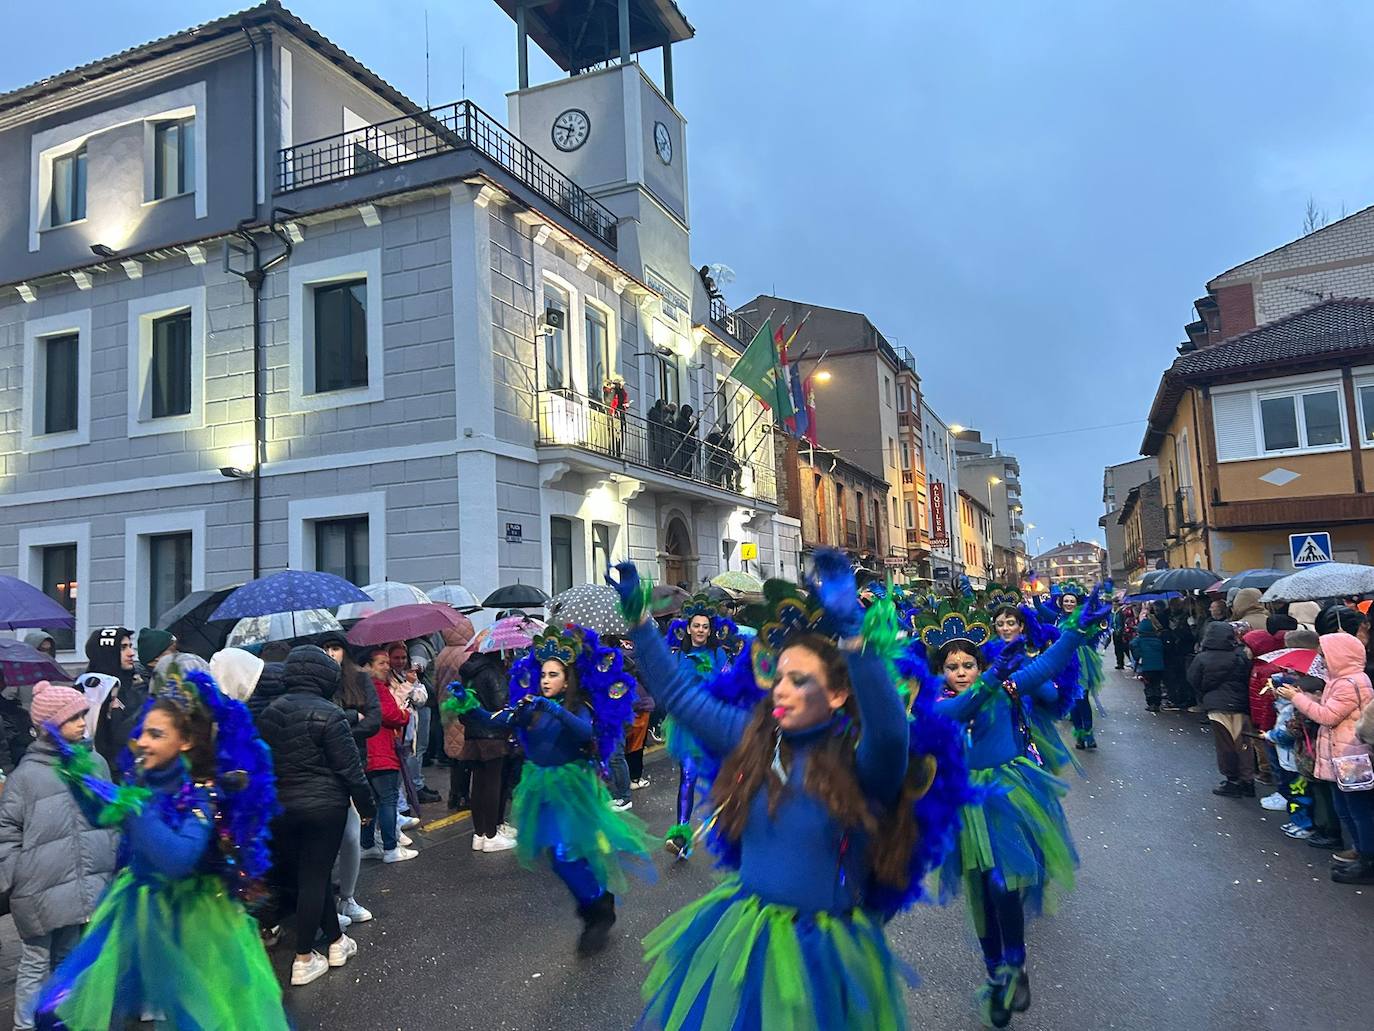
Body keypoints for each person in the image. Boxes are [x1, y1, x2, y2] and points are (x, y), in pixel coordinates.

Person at [613, 553, 969, 1030]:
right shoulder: (754, 736)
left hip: (823, 955)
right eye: (778, 676)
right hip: (745, 938)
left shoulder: (864, 761)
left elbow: (890, 734)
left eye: (800, 680)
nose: (780, 689)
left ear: (839, 695)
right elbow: (680, 697)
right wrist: (639, 622)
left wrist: (854, 639)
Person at [33, 662, 288, 1029]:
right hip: (134, 908)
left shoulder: (201, 796)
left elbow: (176, 859)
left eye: (156, 734)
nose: (144, 741)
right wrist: (79, 778)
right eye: (143, 733)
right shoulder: (145, 782)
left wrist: (132, 807)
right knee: (58, 1010)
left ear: (183, 741)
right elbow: (106, 816)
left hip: (194, 919)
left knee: (201, 1017)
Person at [930, 594, 1106, 1027]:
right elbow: (957, 711)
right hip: (963, 802)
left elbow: (1045, 668)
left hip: (1007, 794)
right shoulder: (938, 706)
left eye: (967, 665)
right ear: (942, 673)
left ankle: (1015, 965)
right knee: (979, 894)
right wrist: (990, 678)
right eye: (952, 667)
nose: (961, 673)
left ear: (976, 664)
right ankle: (995, 976)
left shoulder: (1006, 686)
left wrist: (1076, 631)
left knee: (1004, 885)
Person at [452, 625, 653, 955]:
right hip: (541, 788)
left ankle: (598, 910)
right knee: (558, 856)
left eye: (554, 674)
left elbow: (586, 732)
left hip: (573, 788)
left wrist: (555, 709)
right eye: (543, 674)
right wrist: (468, 704)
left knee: (569, 853)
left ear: (567, 678)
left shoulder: (576, 707)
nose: (546, 680)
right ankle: (596, 903)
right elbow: (495, 721)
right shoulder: (530, 706)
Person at [0, 683, 119, 1031]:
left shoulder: (94, 763)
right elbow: (7, 830)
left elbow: (110, 816)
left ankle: (65, 1021)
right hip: (39, 886)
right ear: (51, 725)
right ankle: (25, 1024)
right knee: (35, 960)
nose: (82, 723)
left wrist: (111, 857)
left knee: (70, 957)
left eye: (83, 714)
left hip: (85, 881)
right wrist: (17, 873)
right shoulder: (28, 775)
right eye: (72, 718)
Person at [257, 646, 378, 985]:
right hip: (325, 807)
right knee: (314, 877)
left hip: (281, 807)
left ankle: (338, 943)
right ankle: (304, 957)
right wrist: (366, 808)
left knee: (313, 875)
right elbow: (350, 769)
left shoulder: (270, 713)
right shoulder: (331, 714)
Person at [1275, 633, 1374, 884]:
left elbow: (1328, 717)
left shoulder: (1351, 682)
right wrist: (1304, 697)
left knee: (1359, 810)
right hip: (1340, 755)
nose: (1321, 659)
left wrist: (1296, 698)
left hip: (1353, 756)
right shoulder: (1337, 680)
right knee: (1345, 808)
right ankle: (1360, 852)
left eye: (1324, 654)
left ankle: (1367, 861)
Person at [660, 596, 742, 859]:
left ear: (710, 630)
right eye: (696, 626)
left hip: (712, 723)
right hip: (686, 726)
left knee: (721, 780)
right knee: (688, 776)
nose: (700, 631)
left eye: (705, 627)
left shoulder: (718, 654)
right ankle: (682, 836)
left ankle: (732, 833)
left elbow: (728, 686)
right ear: (689, 628)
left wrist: (712, 683)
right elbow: (668, 688)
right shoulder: (678, 655)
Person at [318, 634, 378, 928]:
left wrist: (340, 732)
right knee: (327, 837)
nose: (331, 653)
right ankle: (328, 899)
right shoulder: (315, 681)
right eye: (326, 648)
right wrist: (351, 716)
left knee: (352, 835)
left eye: (336, 647)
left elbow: (374, 719)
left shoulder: (359, 679)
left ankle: (348, 896)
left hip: (353, 761)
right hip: (321, 768)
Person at [359, 647, 417, 863]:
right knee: (388, 799)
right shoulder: (376, 688)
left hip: (367, 752)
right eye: (381, 663)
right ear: (368, 666)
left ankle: (367, 844)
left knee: (371, 802)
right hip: (381, 749)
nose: (387, 667)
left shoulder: (358, 688)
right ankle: (391, 848)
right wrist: (404, 714)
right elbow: (391, 715)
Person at [455, 648, 516, 853]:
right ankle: (491, 835)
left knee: (478, 785)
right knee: (493, 784)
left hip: (472, 735)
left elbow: (462, 710)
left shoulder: (468, 674)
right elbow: (501, 706)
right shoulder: (493, 672)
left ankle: (479, 834)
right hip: (493, 737)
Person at [1188, 621, 1256, 798]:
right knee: (1243, 743)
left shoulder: (1202, 658)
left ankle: (1232, 780)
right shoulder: (1240, 655)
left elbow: (1193, 679)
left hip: (1217, 706)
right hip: (1240, 705)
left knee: (1225, 744)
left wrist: (1206, 693)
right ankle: (1248, 780)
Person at [77, 627, 147, 776]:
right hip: (105, 776)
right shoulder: (92, 689)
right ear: (107, 653)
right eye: (123, 648)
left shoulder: (135, 684)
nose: (131, 653)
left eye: (130, 646)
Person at [1130, 611, 1166, 713]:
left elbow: (1133, 647)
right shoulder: (1158, 640)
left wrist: (1137, 658)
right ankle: (1157, 703)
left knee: (1148, 685)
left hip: (1146, 667)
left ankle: (1151, 703)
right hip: (1159, 667)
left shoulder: (1139, 640)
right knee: (1157, 684)